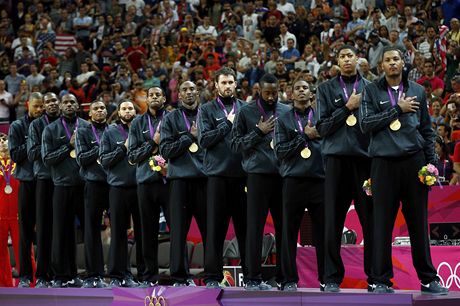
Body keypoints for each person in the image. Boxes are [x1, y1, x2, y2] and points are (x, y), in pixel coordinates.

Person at [359, 46, 448, 295]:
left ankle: (429, 278)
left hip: (414, 163)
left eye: (396, 59)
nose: (392, 63)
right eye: (388, 60)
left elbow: (427, 131)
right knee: (381, 225)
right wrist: (397, 109)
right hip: (383, 165)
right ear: (382, 66)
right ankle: (380, 280)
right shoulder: (370, 91)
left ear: (403, 63)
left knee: (418, 224)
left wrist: (431, 164)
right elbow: (365, 125)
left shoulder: (417, 90)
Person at [315, 45, 373, 292]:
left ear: (358, 59)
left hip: (365, 163)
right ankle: (331, 277)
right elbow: (322, 127)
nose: (347, 60)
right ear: (337, 61)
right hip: (335, 163)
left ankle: (376, 277)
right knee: (332, 223)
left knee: (371, 223)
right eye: (343, 56)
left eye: (351, 56)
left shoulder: (372, 88)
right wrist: (347, 108)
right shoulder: (325, 89)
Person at [231, 73, 290, 290]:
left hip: (283, 176)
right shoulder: (246, 112)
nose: (272, 97)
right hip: (256, 177)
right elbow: (235, 145)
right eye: (267, 93)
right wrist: (258, 131)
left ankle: (286, 278)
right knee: (254, 228)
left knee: (285, 228)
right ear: (259, 91)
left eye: (275, 93)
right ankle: (252, 278)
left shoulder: (287, 110)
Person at [198, 67, 248, 289]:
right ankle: (211, 277)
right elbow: (204, 140)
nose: (228, 86)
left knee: (246, 230)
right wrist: (227, 123)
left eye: (231, 82)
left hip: (242, 176)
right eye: (224, 83)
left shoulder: (246, 109)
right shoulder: (206, 110)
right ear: (216, 86)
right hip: (216, 176)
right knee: (215, 230)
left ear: (236, 84)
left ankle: (251, 276)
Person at [274, 79, 325, 291]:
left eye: (305, 88)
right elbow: (280, 151)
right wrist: (304, 136)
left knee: (324, 233)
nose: (302, 91)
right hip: (292, 180)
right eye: (298, 89)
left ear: (311, 94)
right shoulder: (283, 119)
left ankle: (327, 279)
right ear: (291, 94)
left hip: (319, 180)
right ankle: (288, 280)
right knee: (288, 232)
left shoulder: (321, 116)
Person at [160, 81, 207, 286]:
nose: (189, 93)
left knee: (210, 231)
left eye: (192, 89)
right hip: (178, 181)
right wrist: (189, 137)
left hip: (205, 180)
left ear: (197, 92)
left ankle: (214, 276)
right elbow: (166, 151)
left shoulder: (206, 115)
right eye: (185, 90)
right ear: (179, 95)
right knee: (178, 232)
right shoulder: (170, 118)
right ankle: (180, 277)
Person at [42, 93, 88, 287]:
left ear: (77, 106)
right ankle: (62, 276)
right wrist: (67, 146)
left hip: (85, 186)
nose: (69, 105)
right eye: (66, 103)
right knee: (62, 232)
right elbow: (47, 159)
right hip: (61, 186)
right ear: (60, 107)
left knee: (89, 232)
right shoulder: (50, 129)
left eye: (72, 102)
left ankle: (91, 275)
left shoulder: (87, 126)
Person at [127, 87, 169, 288]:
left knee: (176, 231)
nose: (153, 98)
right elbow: (132, 156)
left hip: (169, 182)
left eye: (157, 95)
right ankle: (148, 277)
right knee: (147, 232)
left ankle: (180, 275)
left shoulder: (172, 118)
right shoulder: (137, 122)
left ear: (164, 98)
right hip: (145, 182)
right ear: (147, 99)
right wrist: (153, 143)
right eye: (150, 95)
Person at [99, 100, 141, 288]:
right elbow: (105, 160)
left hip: (140, 187)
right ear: (119, 112)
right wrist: (123, 147)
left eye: (130, 108)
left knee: (142, 233)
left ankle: (143, 274)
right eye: (124, 108)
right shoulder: (110, 131)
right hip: (117, 188)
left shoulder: (142, 128)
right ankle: (117, 274)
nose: (127, 111)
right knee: (118, 233)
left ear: (135, 111)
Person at [8, 92, 43, 287]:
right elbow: (15, 155)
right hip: (27, 183)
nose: (39, 110)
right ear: (28, 104)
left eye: (41, 107)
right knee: (25, 232)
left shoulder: (48, 124)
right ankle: (25, 276)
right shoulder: (17, 126)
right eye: (36, 106)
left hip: (46, 183)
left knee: (47, 230)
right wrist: (33, 143)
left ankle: (46, 275)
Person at [27, 92, 60, 287]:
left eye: (55, 100)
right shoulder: (36, 126)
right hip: (44, 179)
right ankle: (42, 275)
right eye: (48, 102)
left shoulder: (65, 122)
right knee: (44, 228)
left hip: (63, 182)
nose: (52, 104)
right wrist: (52, 148)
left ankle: (61, 273)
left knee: (62, 228)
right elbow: (32, 154)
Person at [75, 101, 109, 288]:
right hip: (93, 183)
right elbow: (81, 159)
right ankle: (93, 274)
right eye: (96, 108)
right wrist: (103, 147)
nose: (99, 110)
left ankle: (120, 273)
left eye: (102, 108)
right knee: (91, 230)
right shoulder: (83, 132)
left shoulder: (113, 129)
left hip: (113, 184)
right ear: (90, 114)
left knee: (120, 231)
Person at [0, 134, 20, 287]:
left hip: (18, 214)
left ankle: (29, 283)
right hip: (0, 215)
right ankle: (4, 285)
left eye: (4, 139)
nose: (2, 142)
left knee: (23, 250)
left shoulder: (18, 162)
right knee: (0, 254)